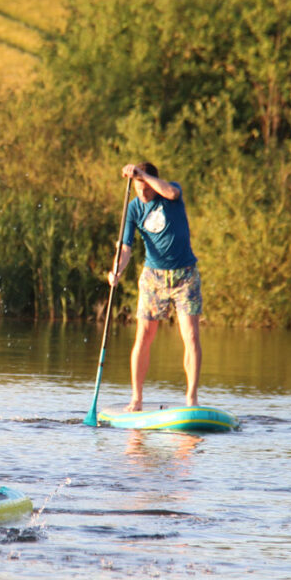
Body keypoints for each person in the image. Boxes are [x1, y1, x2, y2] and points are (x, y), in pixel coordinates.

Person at [106, 162, 203, 412]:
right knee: (144, 336)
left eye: (146, 187)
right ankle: (136, 399)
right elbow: (125, 248)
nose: (143, 193)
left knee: (191, 336)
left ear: (152, 181)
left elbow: (170, 192)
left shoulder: (171, 194)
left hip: (185, 275)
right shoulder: (133, 209)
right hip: (154, 278)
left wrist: (144, 176)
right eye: (138, 187)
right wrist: (117, 269)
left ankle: (191, 398)